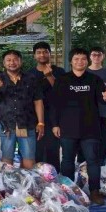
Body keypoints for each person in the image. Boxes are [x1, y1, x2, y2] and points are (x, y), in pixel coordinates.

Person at [51, 48, 106, 205]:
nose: (80, 62)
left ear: (87, 61)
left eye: (83, 59)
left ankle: (94, 192)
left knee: (93, 161)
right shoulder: (62, 80)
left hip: (90, 128)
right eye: (76, 59)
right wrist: (55, 124)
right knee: (67, 160)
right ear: (71, 61)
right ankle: (68, 191)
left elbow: (103, 99)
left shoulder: (95, 80)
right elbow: (55, 104)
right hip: (67, 127)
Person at [0, 50, 45, 169]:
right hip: (6, 125)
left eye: (15, 60)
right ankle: (9, 180)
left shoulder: (31, 78)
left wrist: (41, 122)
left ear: (20, 62)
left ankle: (27, 180)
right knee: (7, 159)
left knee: (29, 159)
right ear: (4, 63)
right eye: (8, 60)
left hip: (27, 123)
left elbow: (38, 101)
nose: (12, 62)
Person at [28, 42, 65, 170]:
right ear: (34, 55)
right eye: (39, 52)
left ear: (50, 54)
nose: (42, 55)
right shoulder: (29, 74)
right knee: (36, 149)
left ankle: (53, 176)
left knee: (52, 148)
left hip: (54, 116)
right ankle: (37, 176)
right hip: (34, 116)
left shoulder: (59, 71)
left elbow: (62, 92)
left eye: (45, 52)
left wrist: (49, 76)